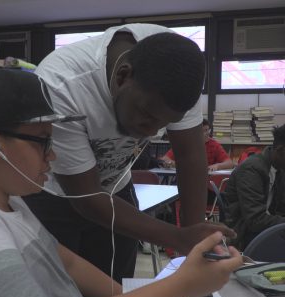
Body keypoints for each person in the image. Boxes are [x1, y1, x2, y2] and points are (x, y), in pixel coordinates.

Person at [0, 68, 242, 297]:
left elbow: (66, 263)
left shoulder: (7, 202)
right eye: (43, 141)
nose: (53, 156)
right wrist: (181, 286)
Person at [23, 23, 236, 282]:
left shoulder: (179, 73)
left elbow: (190, 156)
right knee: (61, 292)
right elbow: (86, 197)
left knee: (117, 287)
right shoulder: (60, 85)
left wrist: (196, 241)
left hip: (116, 190)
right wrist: (176, 236)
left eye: (164, 125)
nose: (151, 132)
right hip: (56, 195)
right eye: (147, 115)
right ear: (123, 77)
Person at [224, 124, 285, 250]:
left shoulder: (279, 169)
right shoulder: (251, 170)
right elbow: (255, 220)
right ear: (280, 150)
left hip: (265, 229)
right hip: (244, 234)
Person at [160, 119, 234, 172]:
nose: (207, 133)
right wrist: (170, 163)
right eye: (204, 131)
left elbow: (229, 163)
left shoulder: (214, 144)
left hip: (206, 179)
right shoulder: (185, 143)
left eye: (208, 130)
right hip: (187, 176)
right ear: (195, 132)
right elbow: (164, 158)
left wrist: (217, 166)